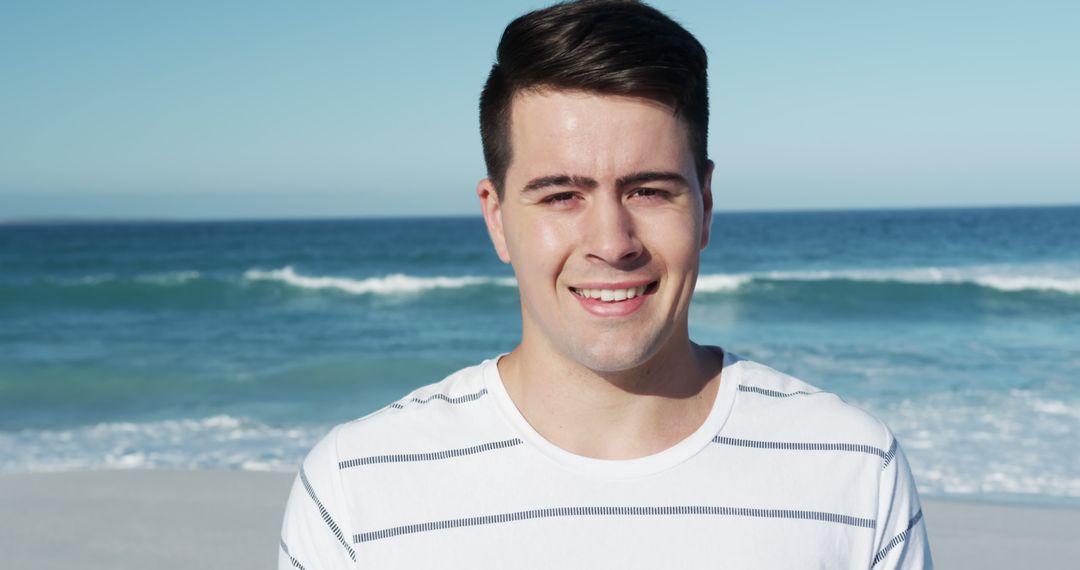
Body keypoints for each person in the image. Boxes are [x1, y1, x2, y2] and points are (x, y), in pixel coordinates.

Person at [278, 1, 932, 568]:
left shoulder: (849, 469)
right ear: (497, 218)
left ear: (704, 202)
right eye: (562, 195)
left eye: (649, 190)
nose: (612, 242)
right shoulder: (358, 488)